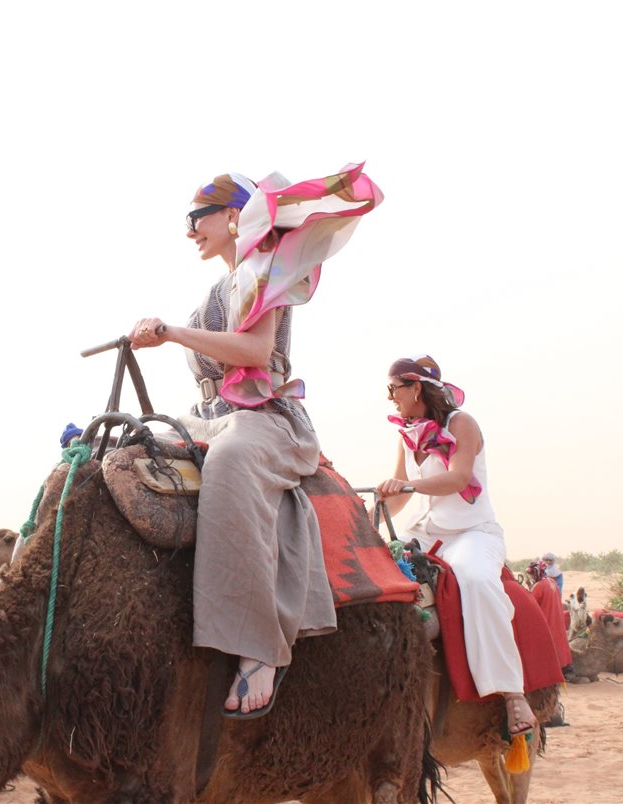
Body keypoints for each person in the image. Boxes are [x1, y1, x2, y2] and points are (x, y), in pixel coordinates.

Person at [128, 166, 382, 718]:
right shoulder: (217, 288)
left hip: (263, 416)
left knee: (232, 459)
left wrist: (171, 333)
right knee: (129, 442)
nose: (190, 230)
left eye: (197, 218)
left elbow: (254, 354)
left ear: (233, 216)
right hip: (210, 413)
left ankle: (258, 648)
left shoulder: (265, 269)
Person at [376, 354, 537, 739]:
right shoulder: (407, 434)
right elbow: (398, 492)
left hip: (471, 532)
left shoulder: (462, 424)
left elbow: (457, 477)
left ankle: (513, 694)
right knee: (377, 570)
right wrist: (372, 516)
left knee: (477, 580)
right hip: (429, 531)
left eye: (393, 389)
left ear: (415, 388)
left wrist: (407, 487)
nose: (389, 397)